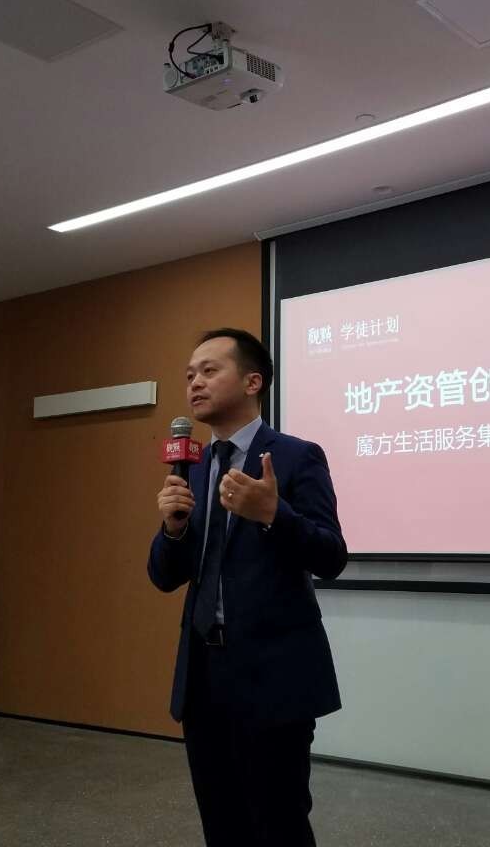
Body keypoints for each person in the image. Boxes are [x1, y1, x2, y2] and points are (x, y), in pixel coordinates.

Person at [148, 328, 347, 847]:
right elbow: (164, 576)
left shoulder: (296, 457)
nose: (194, 382)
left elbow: (332, 556)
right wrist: (172, 530)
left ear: (253, 381)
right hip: (203, 678)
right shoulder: (193, 469)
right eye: (189, 374)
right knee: (222, 826)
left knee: (279, 826)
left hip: (273, 677)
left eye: (209, 370)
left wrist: (274, 514)